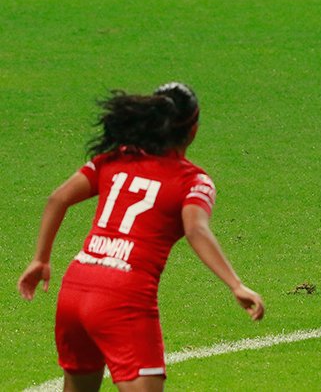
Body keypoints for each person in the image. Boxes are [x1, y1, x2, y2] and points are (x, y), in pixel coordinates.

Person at [18, 82, 264, 391]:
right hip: (123, 297)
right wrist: (236, 284)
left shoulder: (117, 158)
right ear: (193, 130)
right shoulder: (192, 180)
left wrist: (40, 259)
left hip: (75, 287)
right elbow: (196, 229)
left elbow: (57, 198)